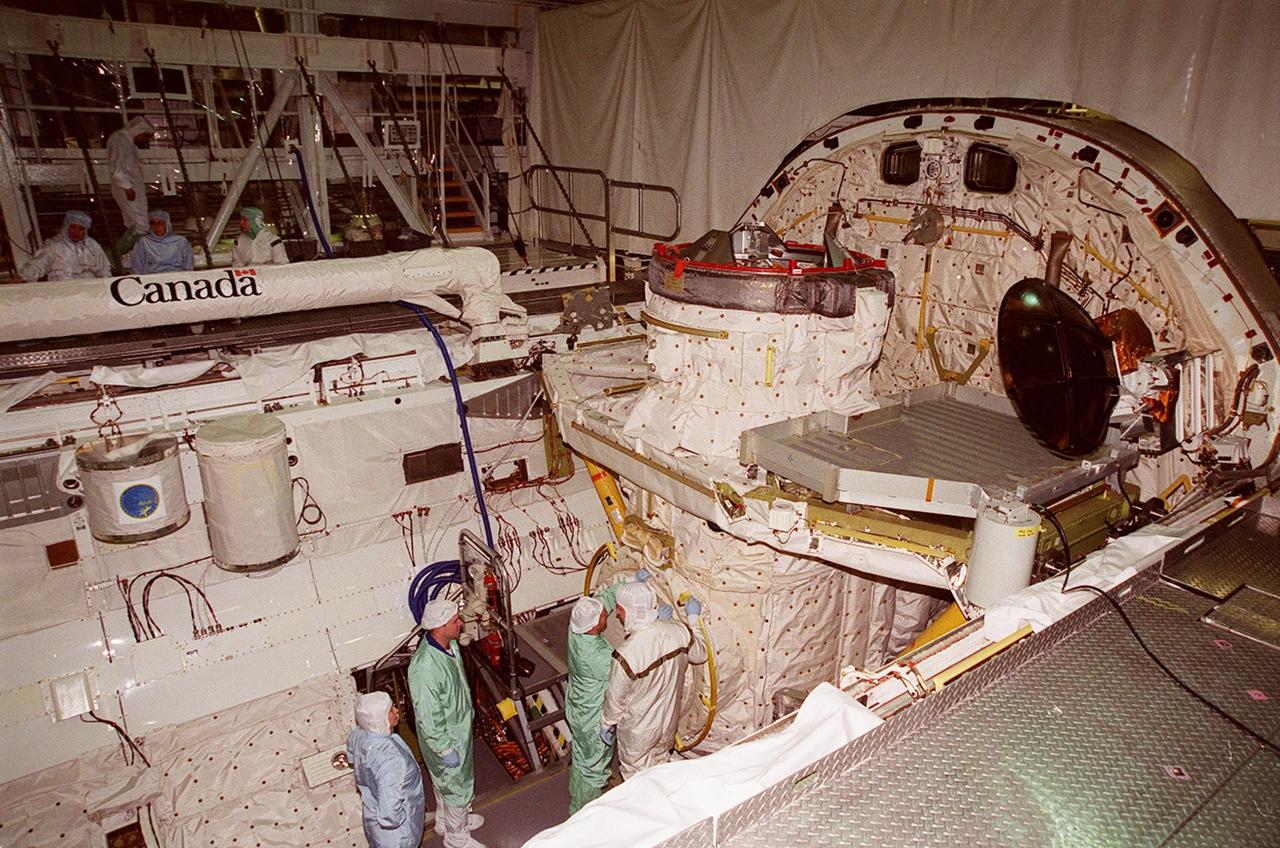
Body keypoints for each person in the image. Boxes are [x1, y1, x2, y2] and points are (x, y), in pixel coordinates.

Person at [601, 581, 707, 779]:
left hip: (638, 730)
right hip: (668, 723)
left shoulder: (625, 655)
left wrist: (607, 723)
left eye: (619, 609)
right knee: (661, 769)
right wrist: (693, 618)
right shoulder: (679, 631)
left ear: (627, 611)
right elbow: (700, 655)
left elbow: (616, 700)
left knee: (637, 780)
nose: (617, 614)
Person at [564, 571, 646, 814]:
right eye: (603, 616)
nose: (608, 615)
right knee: (593, 765)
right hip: (592, 716)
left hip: (578, 706)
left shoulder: (576, 628)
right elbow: (627, 669)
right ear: (593, 626)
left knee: (582, 758)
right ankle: (583, 812)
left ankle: (577, 794)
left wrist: (630, 582)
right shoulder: (595, 657)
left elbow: (605, 598)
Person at [407, 598, 486, 848]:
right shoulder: (425, 668)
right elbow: (428, 715)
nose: (461, 624)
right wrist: (443, 747)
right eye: (455, 621)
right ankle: (456, 837)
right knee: (455, 786)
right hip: (446, 738)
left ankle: (445, 821)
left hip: (457, 728)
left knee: (444, 782)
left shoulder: (449, 644)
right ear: (440, 626)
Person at [346, 691, 425, 848]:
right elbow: (389, 815)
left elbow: (350, 757)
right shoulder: (390, 759)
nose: (396, 710)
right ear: (377, 719)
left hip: (373, 821)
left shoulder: (359, 735)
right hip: (398, 836)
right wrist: (407, 815)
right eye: (390, 710)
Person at [17, 210, 111, 282]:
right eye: (73, 227)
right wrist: (22, 277)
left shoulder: (92, 245)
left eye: (81, 229)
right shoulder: (54, 246)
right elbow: (38, 264)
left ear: (85, 230)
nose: (76, 232)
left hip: (89, 291)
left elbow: (104, 269)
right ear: (66, 226)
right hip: (63, 292)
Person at [107, 116, 154, 255]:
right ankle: (113, 256)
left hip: (131, 188)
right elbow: (117, 169)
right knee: (140, 226)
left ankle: (133, 253)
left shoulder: (126, 141)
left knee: (133, 224)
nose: (145, 140)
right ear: (138, 131)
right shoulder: (120, 140)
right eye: (145, 136)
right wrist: (127, 187)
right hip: (128, 189)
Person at [130, 211, 194, 275]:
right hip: (152, 278)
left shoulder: (180, 241)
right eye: (153, 223)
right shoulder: (144, 242)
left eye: (160, 223)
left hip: (177, 276)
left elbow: (188, 263)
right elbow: (137, 265)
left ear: (166, 224)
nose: (156, 227)